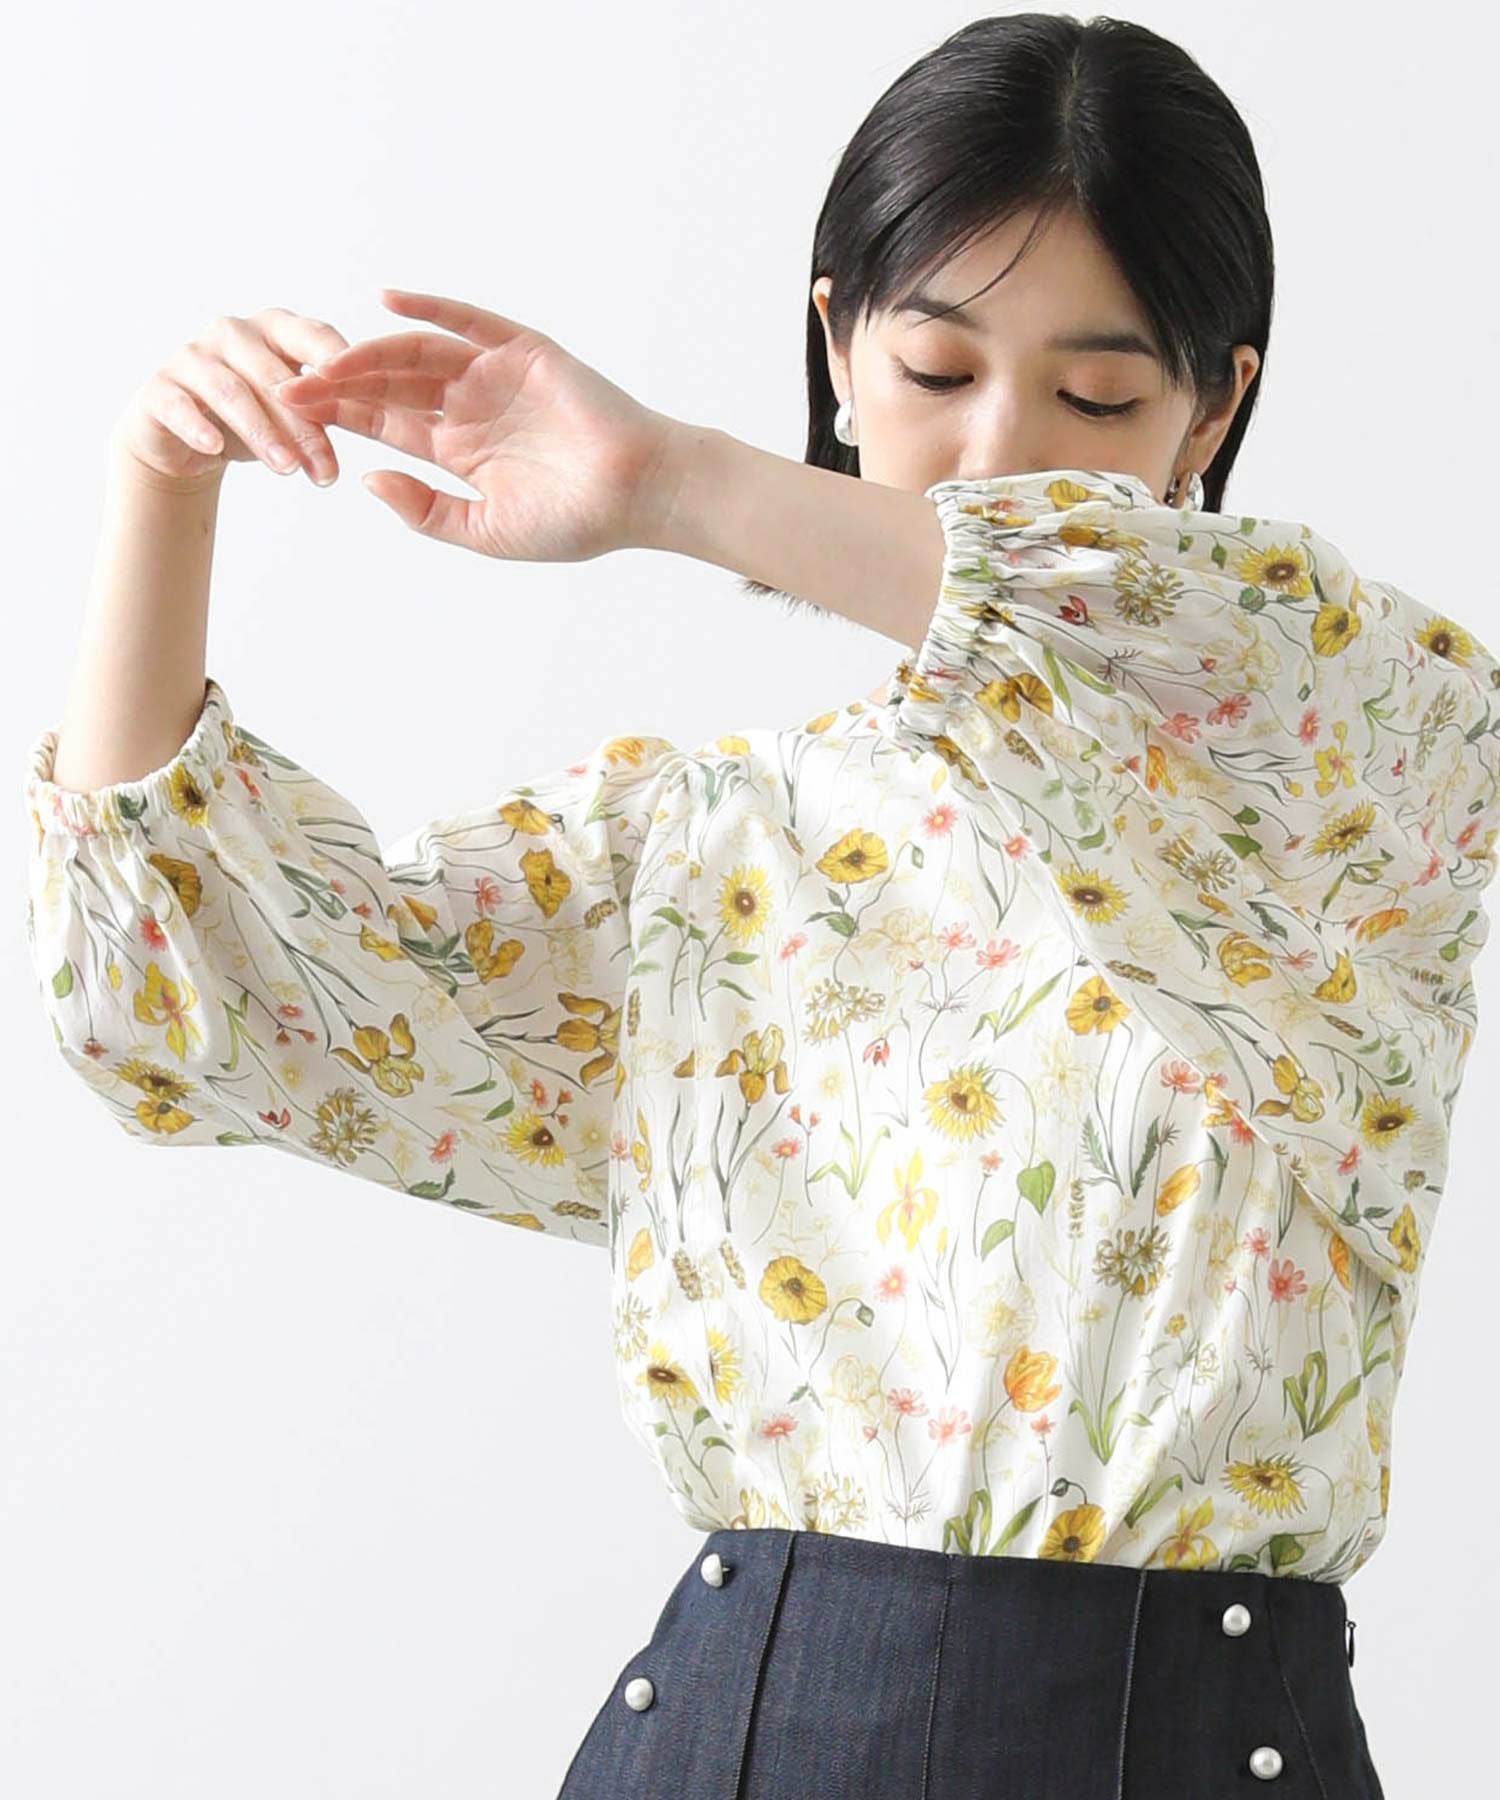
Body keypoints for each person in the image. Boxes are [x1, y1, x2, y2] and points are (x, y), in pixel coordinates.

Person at [22, 14, 1491, 1797]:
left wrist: (668, 481)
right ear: (838, 350)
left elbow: (1153, 622)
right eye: (936, 369)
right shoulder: (717, 850)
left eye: (1096, 398)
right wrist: (160, 495)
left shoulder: (1360, 756)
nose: (1002, 451)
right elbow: (214, 1005)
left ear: (1216, 404)